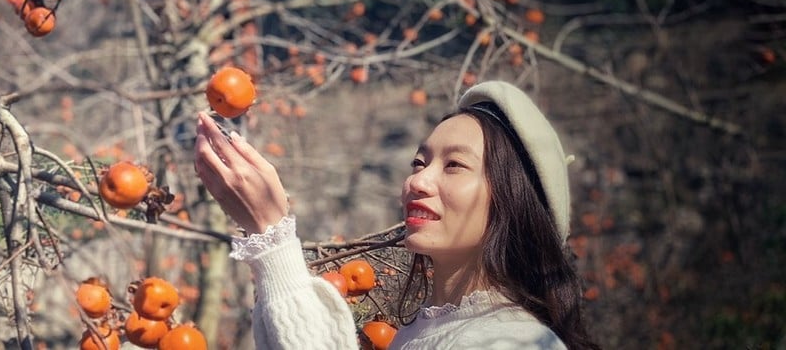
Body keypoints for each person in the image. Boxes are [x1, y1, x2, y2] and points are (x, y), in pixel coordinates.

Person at [194, 80, 600, 349]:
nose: (418, 182)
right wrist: (268, 238)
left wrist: (272, 236)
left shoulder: (515, 343)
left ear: (513, 200)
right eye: (419, 163)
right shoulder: (421, 333)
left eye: (454, 165)